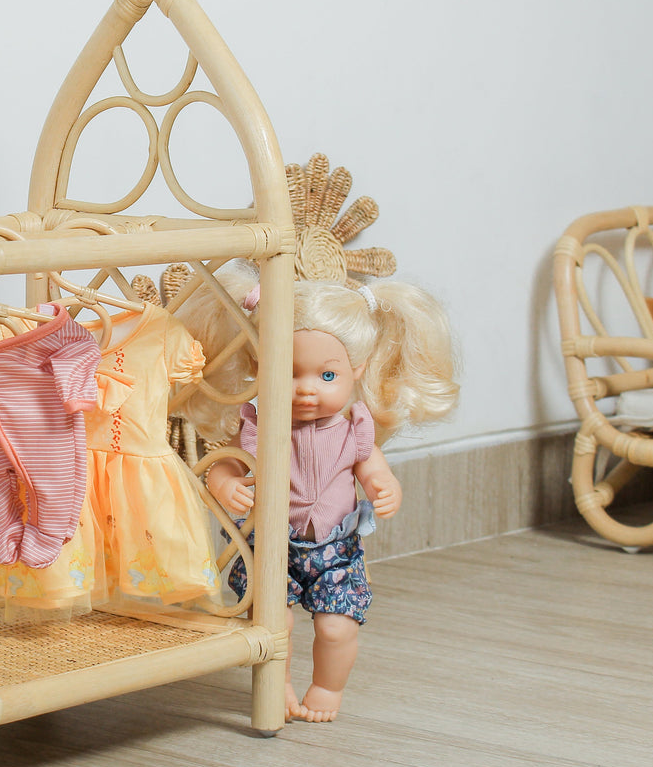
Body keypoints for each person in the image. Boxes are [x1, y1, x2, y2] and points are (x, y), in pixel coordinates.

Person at [177, 267, 458, 721]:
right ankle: (279, 684)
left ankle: (328, 688)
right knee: (276, 623)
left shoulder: (355, 428)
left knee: (336, 628)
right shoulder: (257, 426)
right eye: (289, 373)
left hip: (336, 549)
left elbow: (372, 468)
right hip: (271, 546)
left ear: (356, 370)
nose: (307, 389)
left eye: (327, 375)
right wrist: (225, 484)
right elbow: (225, 463)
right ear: (258, 366)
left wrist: (383, 486)